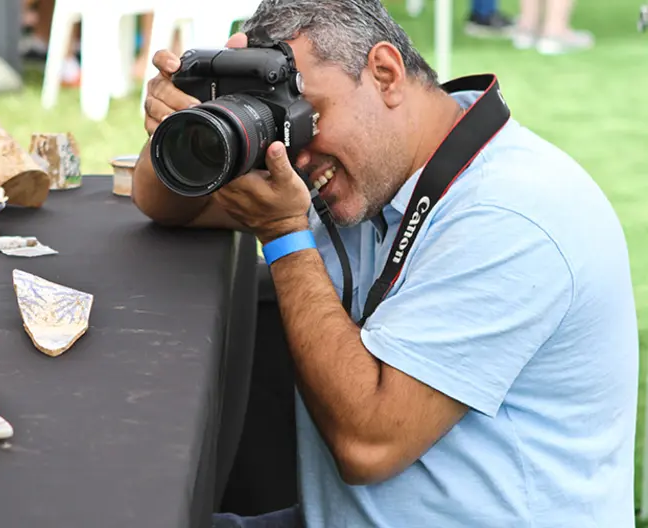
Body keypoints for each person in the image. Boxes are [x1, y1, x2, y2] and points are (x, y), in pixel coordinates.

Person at [133, 0, 639, 526]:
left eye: (310, 113)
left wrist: (283, 235)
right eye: (284, 118)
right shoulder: (373, 163)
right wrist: (192, 116)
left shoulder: (511, 215)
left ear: (385, 73)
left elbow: (367, 445)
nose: (298, 148)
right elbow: (163, 203)